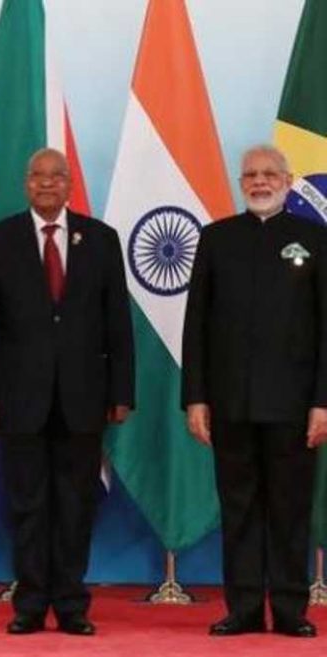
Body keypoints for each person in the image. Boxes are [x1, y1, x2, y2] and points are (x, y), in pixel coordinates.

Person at [0, 148, 134, 636]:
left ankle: (72, 606)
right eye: (37, 176)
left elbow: (118, 323)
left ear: (69, 184)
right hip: (19, 399)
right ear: (26, 183)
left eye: (55, 176)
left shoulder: (101, 239)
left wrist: (122, 391)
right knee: (28, 505)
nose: (46, 184)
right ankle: (30, 605)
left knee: (75, 506)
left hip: (85, 398)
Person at [182, 144, 327, 638]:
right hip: (231, 404)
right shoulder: (216, 238)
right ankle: (243, 608)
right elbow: (196, 325)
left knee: (289, 510)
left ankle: (290, 610)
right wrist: (196, 397)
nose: (260, 182)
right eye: (250, 175)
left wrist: (322, 402)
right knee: (239, 510)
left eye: (269, 174)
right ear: (240, 183)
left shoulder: (315, 239)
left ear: (287, 180)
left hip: (294, 407)